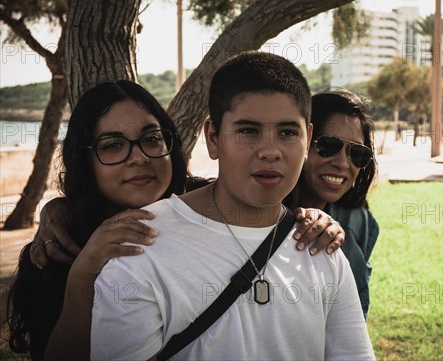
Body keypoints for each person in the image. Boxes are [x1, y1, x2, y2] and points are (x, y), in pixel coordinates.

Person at [5, 80, 343, 361]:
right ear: (85, 158)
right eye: (113, 145)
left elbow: (273, 211)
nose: (138, 158)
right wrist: (81, 276)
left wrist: (314, 219)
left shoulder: (211, 207)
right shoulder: (59, 248)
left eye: (152, 139)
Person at [90, 52, 375, 360]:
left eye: (287, 132)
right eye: (248, 130)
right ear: (213, 138)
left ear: (307, 140)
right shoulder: (141, 248)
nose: (270, 151)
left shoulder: (321, 247)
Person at [288, 89, 380, 319]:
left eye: (356, 153)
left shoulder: (359, 221)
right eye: (329, 145)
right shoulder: (260, 217)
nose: (342, 163)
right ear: (303, 143)